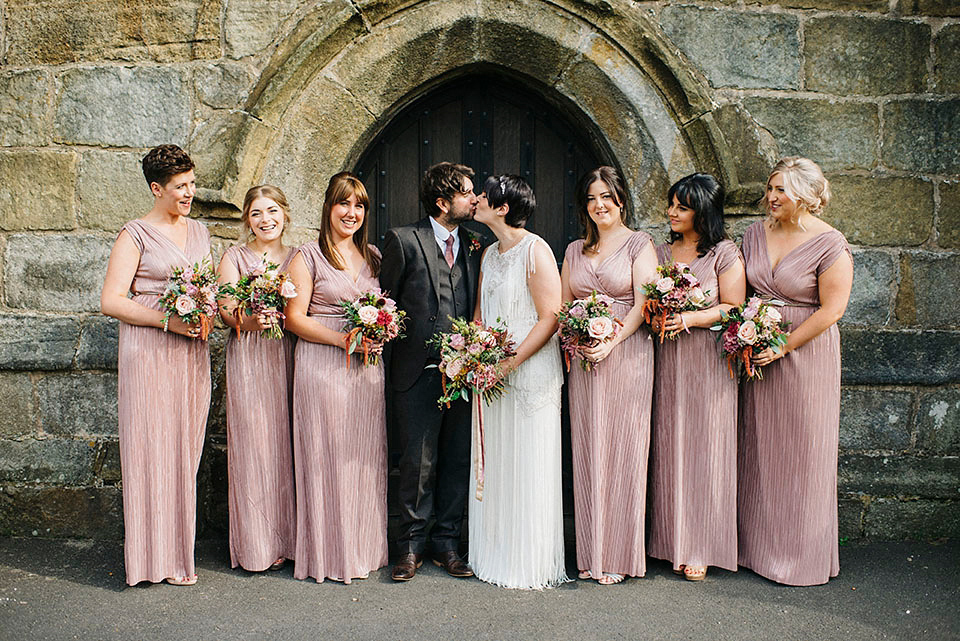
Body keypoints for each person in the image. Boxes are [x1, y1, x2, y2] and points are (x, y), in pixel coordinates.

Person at [737, 157, 853, 586]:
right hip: (756, 348)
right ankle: (756, 549)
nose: (771, 197)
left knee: (803, 451)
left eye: (780, 190)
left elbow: (833, 309)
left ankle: (800, 557)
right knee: (759, 447)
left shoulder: (830, 243)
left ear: (804, 195)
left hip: (805, 355)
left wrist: (783, 345)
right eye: (770, 189)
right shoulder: (753, 234)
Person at [100, 144, 210, 586]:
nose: (189, 192)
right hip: (148, 351)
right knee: (150, 449)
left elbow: (208, 286)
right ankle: (147, 562)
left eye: (192, 183)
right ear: (156, 188)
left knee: (184, 449)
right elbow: (111, 300)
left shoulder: (200, 231)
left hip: (190, 354)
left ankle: (179, 558)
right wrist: (169, 321)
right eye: (180, 186)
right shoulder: (135, 233)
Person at [380, 162, 482, 581]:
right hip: (415, 373)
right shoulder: (403, 240)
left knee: (457, 460)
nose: (476, 199)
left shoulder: (477, 243)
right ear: (442, 202)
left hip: (463, 373)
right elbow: (385, 305)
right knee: (417, 465)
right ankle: (409, 547)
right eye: (467, 193)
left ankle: (447, 545)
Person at [284, 172, 387, 583]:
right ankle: (329, 553)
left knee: (362, 460)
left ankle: (362, 547)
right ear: (328, 207)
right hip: (323, 368)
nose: (352, 212)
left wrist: (380, 332)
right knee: (326, 457)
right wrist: (346, 341)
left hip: (366, 375)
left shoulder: (375, 258)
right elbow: (294, 319)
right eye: (344, 203)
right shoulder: (306, 256)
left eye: (359, 205)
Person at [468, 174, 567, 590]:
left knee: (528, 460)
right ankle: (495, 553)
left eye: (483, 197)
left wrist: (510, 364)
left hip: (528, 373)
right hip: (491, 373)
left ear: (503, 207)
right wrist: (471, 354)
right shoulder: (489, 254)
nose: (474, 201)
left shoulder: (536, 250)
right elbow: (478, 313)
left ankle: (529, 561)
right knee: (499, 459)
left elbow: (551, 317)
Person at [560, 166, 657, 585]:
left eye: (607, 197)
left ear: (620, 200)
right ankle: (591, 551)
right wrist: (578, 336)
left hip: (627, 354)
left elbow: (642, 304)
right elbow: (564, 304)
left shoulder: (640, 244)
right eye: (592, 198)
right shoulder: (574, 250)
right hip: (585, 359)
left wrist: (611, 339)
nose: (599, 205)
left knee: (623, 449)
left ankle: (618, 553)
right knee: (588, 448)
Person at [647, 173, 746, 582]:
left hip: (708, 360)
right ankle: (669, 540)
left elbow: (733, 307)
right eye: (671, 204)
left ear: (702, 211)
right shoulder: (659, 251)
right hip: (667, 360)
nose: (671, 212)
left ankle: (701, 544)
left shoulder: (724, 253)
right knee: (669, 445)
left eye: (681, 207)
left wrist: (689, 316)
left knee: (706, 448)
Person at [216, 185, 297, 573]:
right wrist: (250, 320)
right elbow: (225, 311)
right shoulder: (234, 257)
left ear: (285, 213)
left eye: (272, 211)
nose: (265, 220)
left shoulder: (300, 257)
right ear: (247, 219)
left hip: (290, 356)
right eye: (256, 214)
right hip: (250, 355)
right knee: (255, 445)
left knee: (290, 445)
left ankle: (293, 540)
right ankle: (257, 545)